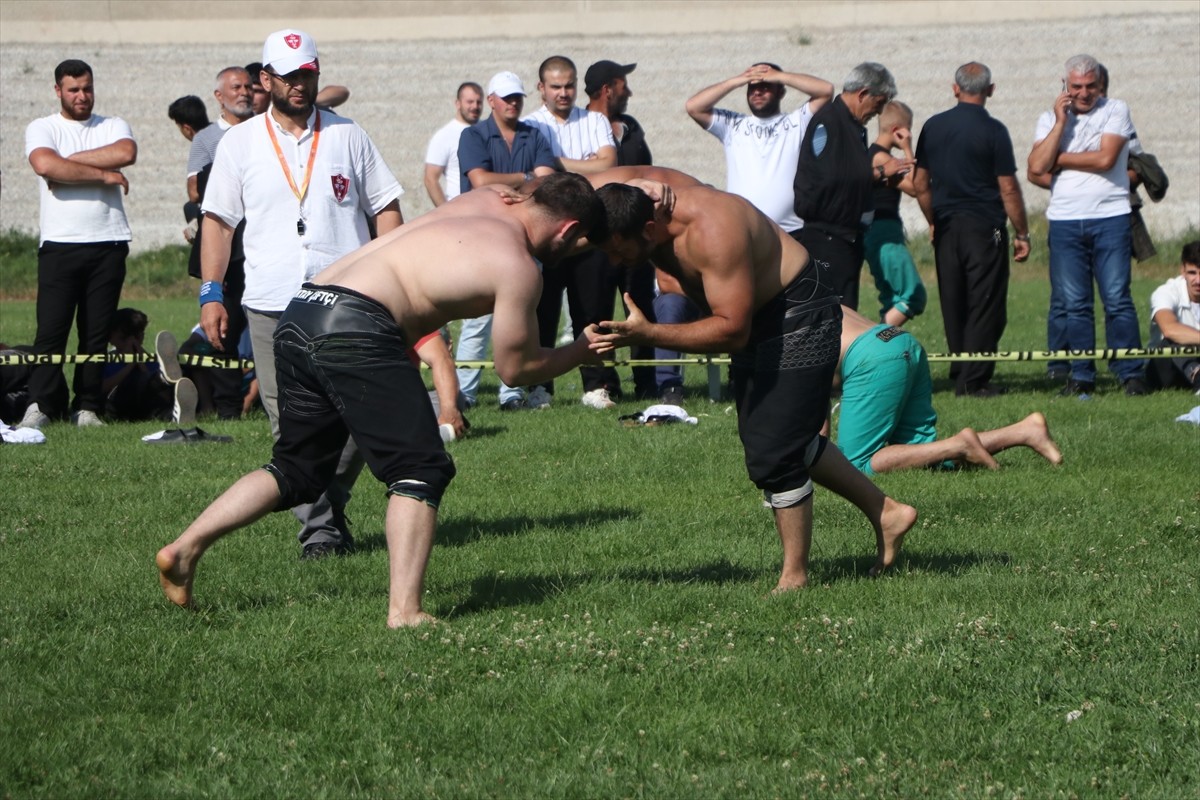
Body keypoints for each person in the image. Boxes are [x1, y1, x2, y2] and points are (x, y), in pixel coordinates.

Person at [156, 172, 608, 627]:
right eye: (576, 245)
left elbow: (534, 182)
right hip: (358, 324)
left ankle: (185, 548)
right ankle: (404, 611)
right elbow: (516, 369)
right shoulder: (519, 266)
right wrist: (580, 350)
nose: (572, 254)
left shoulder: (491, 196)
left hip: (304, 309)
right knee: (420, 469)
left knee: (296, 470)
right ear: (567, 231)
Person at [589, 168, 918, 590]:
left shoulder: (712, 229)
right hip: (758, 313)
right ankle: (887, 512)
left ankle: (794, 576)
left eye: (620, 252)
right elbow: (583, 188)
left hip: (799, 307)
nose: (616, 262)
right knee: (773, 436)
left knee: (775, 451)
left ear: (650, 228)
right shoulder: (638, 213)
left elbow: (731, 330)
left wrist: (649, 333)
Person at [200, 29, 404, 559]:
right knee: (288, 424)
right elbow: (218, 223)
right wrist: (211, 292)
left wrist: (394, 280)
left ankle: (326, 498)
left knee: (361, 417)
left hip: (346, 300)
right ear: (266, 79)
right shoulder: (239, 143)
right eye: (288, 75)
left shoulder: (347, 135)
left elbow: (386, 208)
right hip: (269, 302)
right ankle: (319, 533)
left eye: (308, 73)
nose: (299, 83)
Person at [21, 59, 136, 429]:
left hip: (109, 242)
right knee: (51, 331)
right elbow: (44, 165)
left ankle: (87, 406)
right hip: (60, 244)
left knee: (96, 333)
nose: (82, 96)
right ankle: (40, 404)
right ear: (58, 90)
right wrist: (102, 174)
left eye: (87, 88)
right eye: (73, 89)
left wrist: (66, 165)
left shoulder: (112, 124)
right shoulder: (43, 127)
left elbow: (125, 153)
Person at [1028, 54, 1146, 397]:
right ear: (1064, 86)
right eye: (1076, 86)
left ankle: (1130, 373)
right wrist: (1060, 125)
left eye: (1090, 86)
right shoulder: (1049, 119)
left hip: (1111, 217)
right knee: (1075, 303)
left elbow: (1106, 158)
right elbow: (1035, 167)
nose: (1084, 93)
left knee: (1117, 298)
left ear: (1100, 85)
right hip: (1065, 220)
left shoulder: (1116, 110)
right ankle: (1082, 376)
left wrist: (1059, 159)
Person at [913, 62, 1029, 398]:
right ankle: (974, 380)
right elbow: (1007, 187)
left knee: (954, 298)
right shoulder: (994, 131)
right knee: (985, 300)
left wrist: (933, 220)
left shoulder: (933, 126)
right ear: (991, 90)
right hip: (985, 226)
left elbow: (920, 184)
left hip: (947, 226)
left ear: (955, 88)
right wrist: (1022, 232)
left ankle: (960, 367)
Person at [832, 305, 1062, 474]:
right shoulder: (812, 298)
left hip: (873, 357)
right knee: (924, 453)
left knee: (852, 467)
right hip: (899, 340)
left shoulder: (796, 316)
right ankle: (1025, 431)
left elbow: (812, 404)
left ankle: (959, 445)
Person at [524, 55, 624, 409]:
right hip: (547, 234)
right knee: (542, 312)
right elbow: (537, 177)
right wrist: (583, 169)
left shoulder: (595, 119)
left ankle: (597, 385)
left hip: (588, 233)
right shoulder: (529, 126)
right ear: (541, 89)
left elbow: (609, 163)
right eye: (555, 86)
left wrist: (556, 164)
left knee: (593, 311)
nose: (564, 93)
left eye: (569, 85)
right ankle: (540, 387)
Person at [455, 70, 556, 410]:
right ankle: (464, 393)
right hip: (479, 241)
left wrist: (513, 183)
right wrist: (526, 178)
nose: (513, 103)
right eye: (507, 97)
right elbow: (480, 179)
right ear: (492, 100)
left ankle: (511, 393)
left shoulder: (535, 134)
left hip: (525, 241)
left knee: (516, 321)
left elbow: (548, 180)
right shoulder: (473, 135)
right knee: (476, 321)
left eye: (518, 97)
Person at [793, 62, 910, 311]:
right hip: (827, 240)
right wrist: (880, 172)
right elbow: (828, 176)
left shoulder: (851, 127)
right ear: (863, 94)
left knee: (844, 313)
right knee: (832, 316)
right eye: (878, 103)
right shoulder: (829, 123)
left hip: (846, 238)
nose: (878, 113)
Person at [579, 59, 662, 405]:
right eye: (623, 84)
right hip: (595, 241)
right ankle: (601, 384)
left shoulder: (631, 126)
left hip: (635, 239)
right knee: (594, 312)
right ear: (607, 89)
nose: (629, 91)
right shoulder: (579, 125)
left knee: (642, 306)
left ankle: (647, 381)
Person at [184, 67, 256, 421]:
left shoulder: (267, 130)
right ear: (219, 96)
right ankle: (229, 408)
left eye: (247, 86)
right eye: (236, 87)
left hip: (261, 242)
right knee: (225, 328)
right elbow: (194, 190)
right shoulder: (207, 138)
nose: (244, 92)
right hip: (227, 245)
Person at [686, 62, 833, 235]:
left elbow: (826, 91)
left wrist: (778, 76)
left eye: (765, 87)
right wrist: (738, 80)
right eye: (752, 87)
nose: (757, 92)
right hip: (743, 231)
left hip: (790, 232)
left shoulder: (797, 122)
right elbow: (694, 107)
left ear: (781, 92)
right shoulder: (733, 125)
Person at [863, 101, 926, 327]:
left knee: (892, 300)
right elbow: (914, 187)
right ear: (897, 130)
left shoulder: (877, 154)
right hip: (883, 231)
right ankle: (878, 340)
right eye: (908, 129)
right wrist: (908, 148)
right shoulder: (880, 157)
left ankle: (883, 347)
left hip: (879, 231)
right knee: (913, 295)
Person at [1146, 241, 1200, 392]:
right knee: (1173, 339)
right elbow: (1169, 329)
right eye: (1192, 273)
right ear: (1182, 270)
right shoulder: (1166, 292)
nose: (1198, 281)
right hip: (1165, 368)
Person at [423, 82, 483, 207]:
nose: (475, 106)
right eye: (470, 102)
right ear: (458, 103)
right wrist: (446, 211)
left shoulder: (487, 131)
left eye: (479, 102)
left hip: (487, 210)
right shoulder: (444, 136)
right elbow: (430, 179)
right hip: (460, 212)